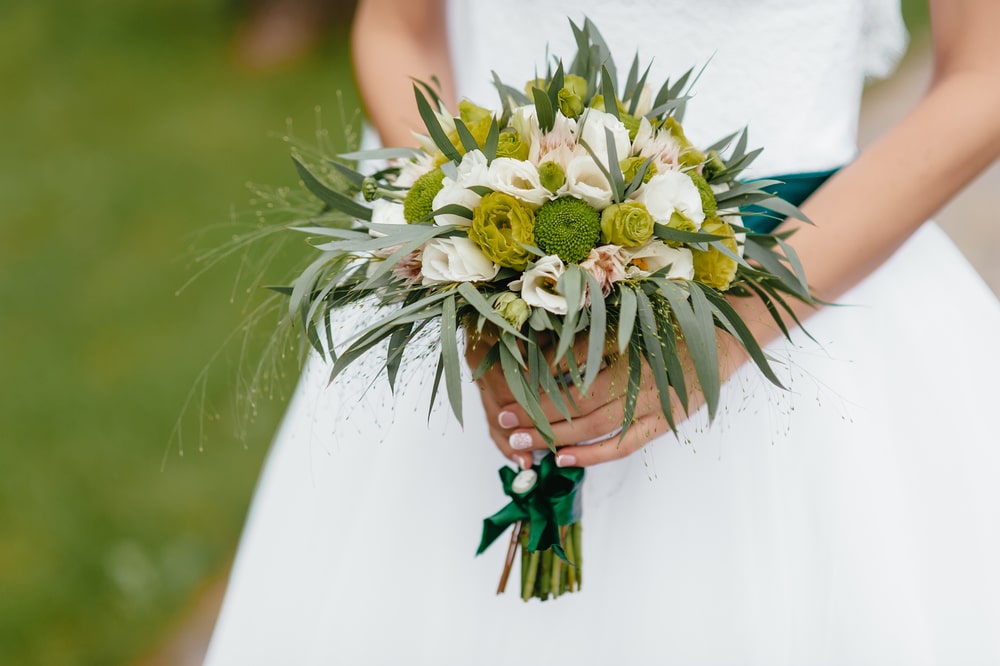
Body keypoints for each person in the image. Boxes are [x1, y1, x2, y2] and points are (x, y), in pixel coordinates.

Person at [204, 1, 1000, 663]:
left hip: (810, 299)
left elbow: (984, 77)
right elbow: (396, 31)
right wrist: (473, 268)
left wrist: (721, 336)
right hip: (491, 324)